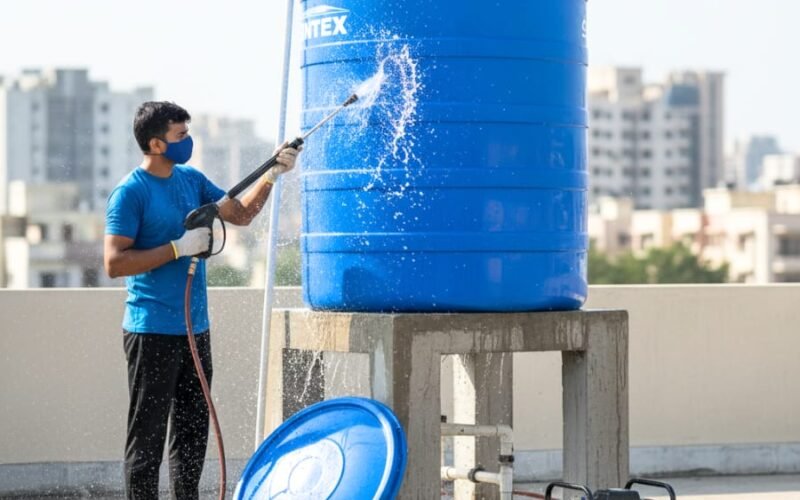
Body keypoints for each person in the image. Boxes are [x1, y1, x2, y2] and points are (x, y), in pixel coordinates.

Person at [103, 101, 299, 499]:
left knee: (192, 432)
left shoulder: (191, 179)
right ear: (156, 144)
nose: (188, 141)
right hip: (151, 331)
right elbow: (114, 263)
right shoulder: (130, 193)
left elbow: (240, 214)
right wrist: (177, 248)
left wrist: (273, 174)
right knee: (148, 436)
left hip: (194, 329)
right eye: (180, 135)